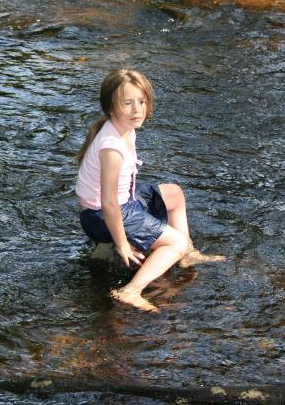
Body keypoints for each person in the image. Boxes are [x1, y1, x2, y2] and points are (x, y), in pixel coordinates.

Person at [76, 69, 224, 312]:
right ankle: (130, 291)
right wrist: (122, 245)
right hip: (100, 215)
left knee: (175, 194)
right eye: (128, 103)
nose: (137, 110)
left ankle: (188, 254)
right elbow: (109, 203)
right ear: (111, 108)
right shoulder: (111, 148)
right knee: (174, 243)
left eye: (142, 102)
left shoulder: (125, 129)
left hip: (124, 200)